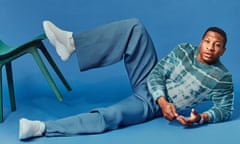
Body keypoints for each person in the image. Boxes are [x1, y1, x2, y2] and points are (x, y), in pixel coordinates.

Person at [19, 18, 234, 140]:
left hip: (150, 105)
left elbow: (224, 110)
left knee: (111, 116)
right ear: (201, 41)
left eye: (216, 45)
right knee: (135, 27)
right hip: (152, 86)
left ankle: (41, 128)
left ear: (223, 51)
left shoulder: (222, 77)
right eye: (207, 41)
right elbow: (157, 74)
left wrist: (201, 118)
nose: (210, 48)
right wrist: (162, 99)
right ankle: (72, 43)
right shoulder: (184, 50)